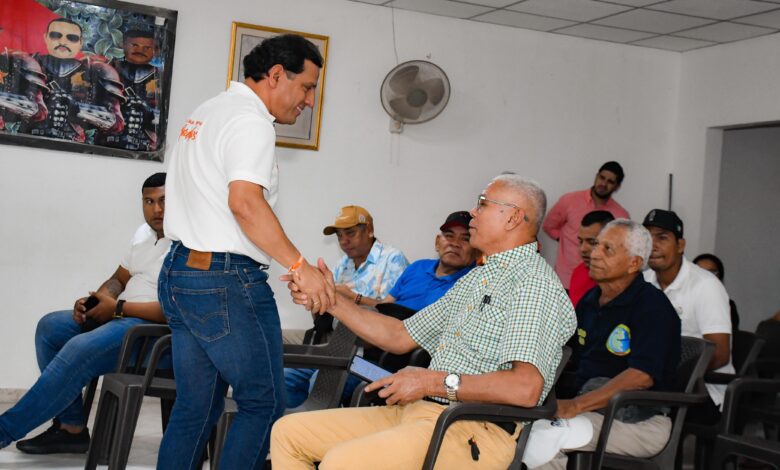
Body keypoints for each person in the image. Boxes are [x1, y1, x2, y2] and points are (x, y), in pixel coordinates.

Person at [271, 174, 576, 469]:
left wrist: (429, 381)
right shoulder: (478, 278)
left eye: (483, 203)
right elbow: (400, 335)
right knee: (289, 434)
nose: (473, 212)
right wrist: (330, 300)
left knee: (342, 463)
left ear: (513, 218)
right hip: (422, 412)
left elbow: (525, 388)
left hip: (472, 428)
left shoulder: (532, 283)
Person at [158, 34, 332, 470]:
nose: (309, 101)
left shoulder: (208, 111)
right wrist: (300, 265)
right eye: (307, 87)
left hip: (181, 271)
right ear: (276, 75)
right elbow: (245, 204)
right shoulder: (251, 122)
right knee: (263, 403)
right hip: (223, 281)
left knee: (196, 407)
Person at [0, 172, 169, 453]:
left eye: (164, 201)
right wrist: (98, 300)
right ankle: (71, 428)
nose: (157, 210)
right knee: (50, 327)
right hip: (122, 318)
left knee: (80, 348)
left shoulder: (187, 242)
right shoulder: (143, 234)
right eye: (149, 201)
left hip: (152, 332)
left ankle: (4, 430)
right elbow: (118, 279)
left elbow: (174, 310)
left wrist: (117, 308)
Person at [527, 219, 681, 470]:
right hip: (591, 409)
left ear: (634, 263)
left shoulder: (653, 307)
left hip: (639, 421)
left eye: (607, 249)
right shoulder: (591, 300)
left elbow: (641, 377)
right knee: (518, 427)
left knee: (544, 439)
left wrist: (576, 405)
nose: (594, 253)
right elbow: (570, 357)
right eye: (596, 245)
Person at [284, 211, 478, 408]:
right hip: (364, 346)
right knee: (287, 378)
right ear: (437, 242)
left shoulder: (472, 283)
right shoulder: (418, 268)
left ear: (476, 248)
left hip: (397, 364)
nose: (455, 243)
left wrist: (345, 299)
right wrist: (327, 294)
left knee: (323, 380)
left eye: (465, 239)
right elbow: (383, 306)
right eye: (449, 236)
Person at [283, 205, 409, 408]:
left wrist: (352, 298)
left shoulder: (392, 259)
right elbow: (324, 316)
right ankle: (290, 426)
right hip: (337, 346)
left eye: (350, 233)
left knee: (322, 383)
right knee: (285, 378)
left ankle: (317, 428)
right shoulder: (343, 264)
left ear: (369, 230)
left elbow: (393, 313)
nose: (344, 241)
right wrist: (315, 297)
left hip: (372, 356)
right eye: (340, 236)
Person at [642, 209, 733, 424]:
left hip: (702, 390)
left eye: (662, 238)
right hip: (654, 381)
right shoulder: (642, 281)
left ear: (680, 245)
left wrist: (665, 374)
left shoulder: (706, 285)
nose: (652, 245)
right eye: (647, 238)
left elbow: (720, 354)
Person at [29, 18, 125, 142]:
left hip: (76, 144)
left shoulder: (97, 72)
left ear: (80, 43)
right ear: (46, 37)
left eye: (72, 38)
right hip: (28, 141)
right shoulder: (25, 63)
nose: (63, 41)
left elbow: (116, 123)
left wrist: (74, 106)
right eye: (56, 35)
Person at [543, 162, 630, 290]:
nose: (603, 184)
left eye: (610, 182)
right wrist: (565, 239)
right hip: (565, 278)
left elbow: (621, 248)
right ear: (596, 176)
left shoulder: (621, 215)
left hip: (599, 284)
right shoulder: (570, 201)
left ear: (617, 187)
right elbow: (549, 225)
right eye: (602, 178)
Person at [106, 29, 160, 150]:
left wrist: (146, 110)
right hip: (108, 137)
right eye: (134, 45)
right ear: (123, 45)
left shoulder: (161, 77)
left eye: (147, 48)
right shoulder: (108, 68)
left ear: (156, 51)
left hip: (144, 141)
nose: (140, 50)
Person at [568, 210, 615, 308]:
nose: (583, 249)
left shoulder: (621, 279)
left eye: (592, 242)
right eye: (580, 241)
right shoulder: (578, 272)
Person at [693, 253, 740, 331]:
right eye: (699, 272)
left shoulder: (727, 306)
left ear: (720, 278)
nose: (704, 277)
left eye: (711, 273)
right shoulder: (679, 301)